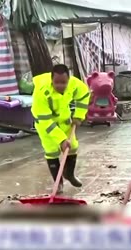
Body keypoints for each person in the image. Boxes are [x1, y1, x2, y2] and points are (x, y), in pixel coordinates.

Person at [31, 64, 90, 194]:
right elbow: (45, 120)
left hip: (64, 121)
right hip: (45, 124)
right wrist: (61, 140)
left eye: (63, 82)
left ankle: (69, 174)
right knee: (52, 151)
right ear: (52, 79)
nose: (60, 86)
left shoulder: (75, 84)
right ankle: (58, 183)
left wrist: (79, 116)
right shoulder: (41, 91)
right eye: (56, 82)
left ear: (69, 79)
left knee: (73, 146)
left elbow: (84, 96)